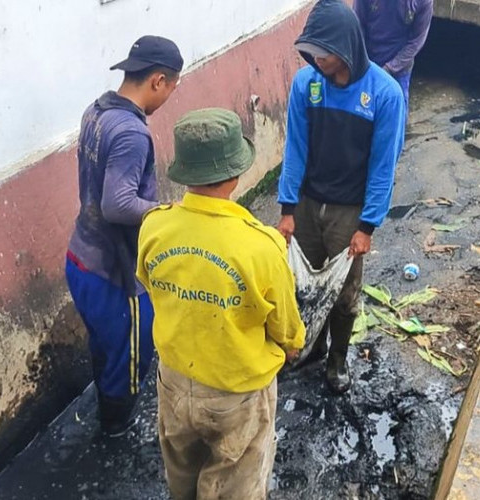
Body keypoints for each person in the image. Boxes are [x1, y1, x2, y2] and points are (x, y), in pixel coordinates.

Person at [137, 108, 306, 499]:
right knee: (238, 482)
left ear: (183, 171)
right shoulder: (261, 246)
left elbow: (150, 281)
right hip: (238, 393)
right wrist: (293, 345)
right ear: (235, 174)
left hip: (175, 381)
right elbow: (286, 329)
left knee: (181, 477)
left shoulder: (153, 226)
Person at [277, 0, 406, 394]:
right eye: (311, 52)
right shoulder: (307, 84)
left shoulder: (384, 95)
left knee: (344, 294)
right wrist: (287, 208)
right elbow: (295, 149)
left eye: (323, 53)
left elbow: (383, 166)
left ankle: (337, 361)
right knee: (305, 285)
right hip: (308, 202)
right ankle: (313, 348)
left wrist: (367, 225)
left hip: (350, 210)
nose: (316, 61)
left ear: (347, 48)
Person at [65, 36, 183, 437]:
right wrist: (168, 212)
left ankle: (106, 412)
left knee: (104, 347)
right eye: (171, 87)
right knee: (132, 357)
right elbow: (118, 205)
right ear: (157, 80)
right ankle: (115, 433)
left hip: (81, 258)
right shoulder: (133, 133)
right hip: (115, 273)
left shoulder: (95, 111)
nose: (169, 96)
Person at [354, 0, 433, 110]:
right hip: (369, 62)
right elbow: (358, 27)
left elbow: (416, 41)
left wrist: (390, 68)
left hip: (400, 68)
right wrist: (364, 63)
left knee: (397, 114)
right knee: (363, 111)